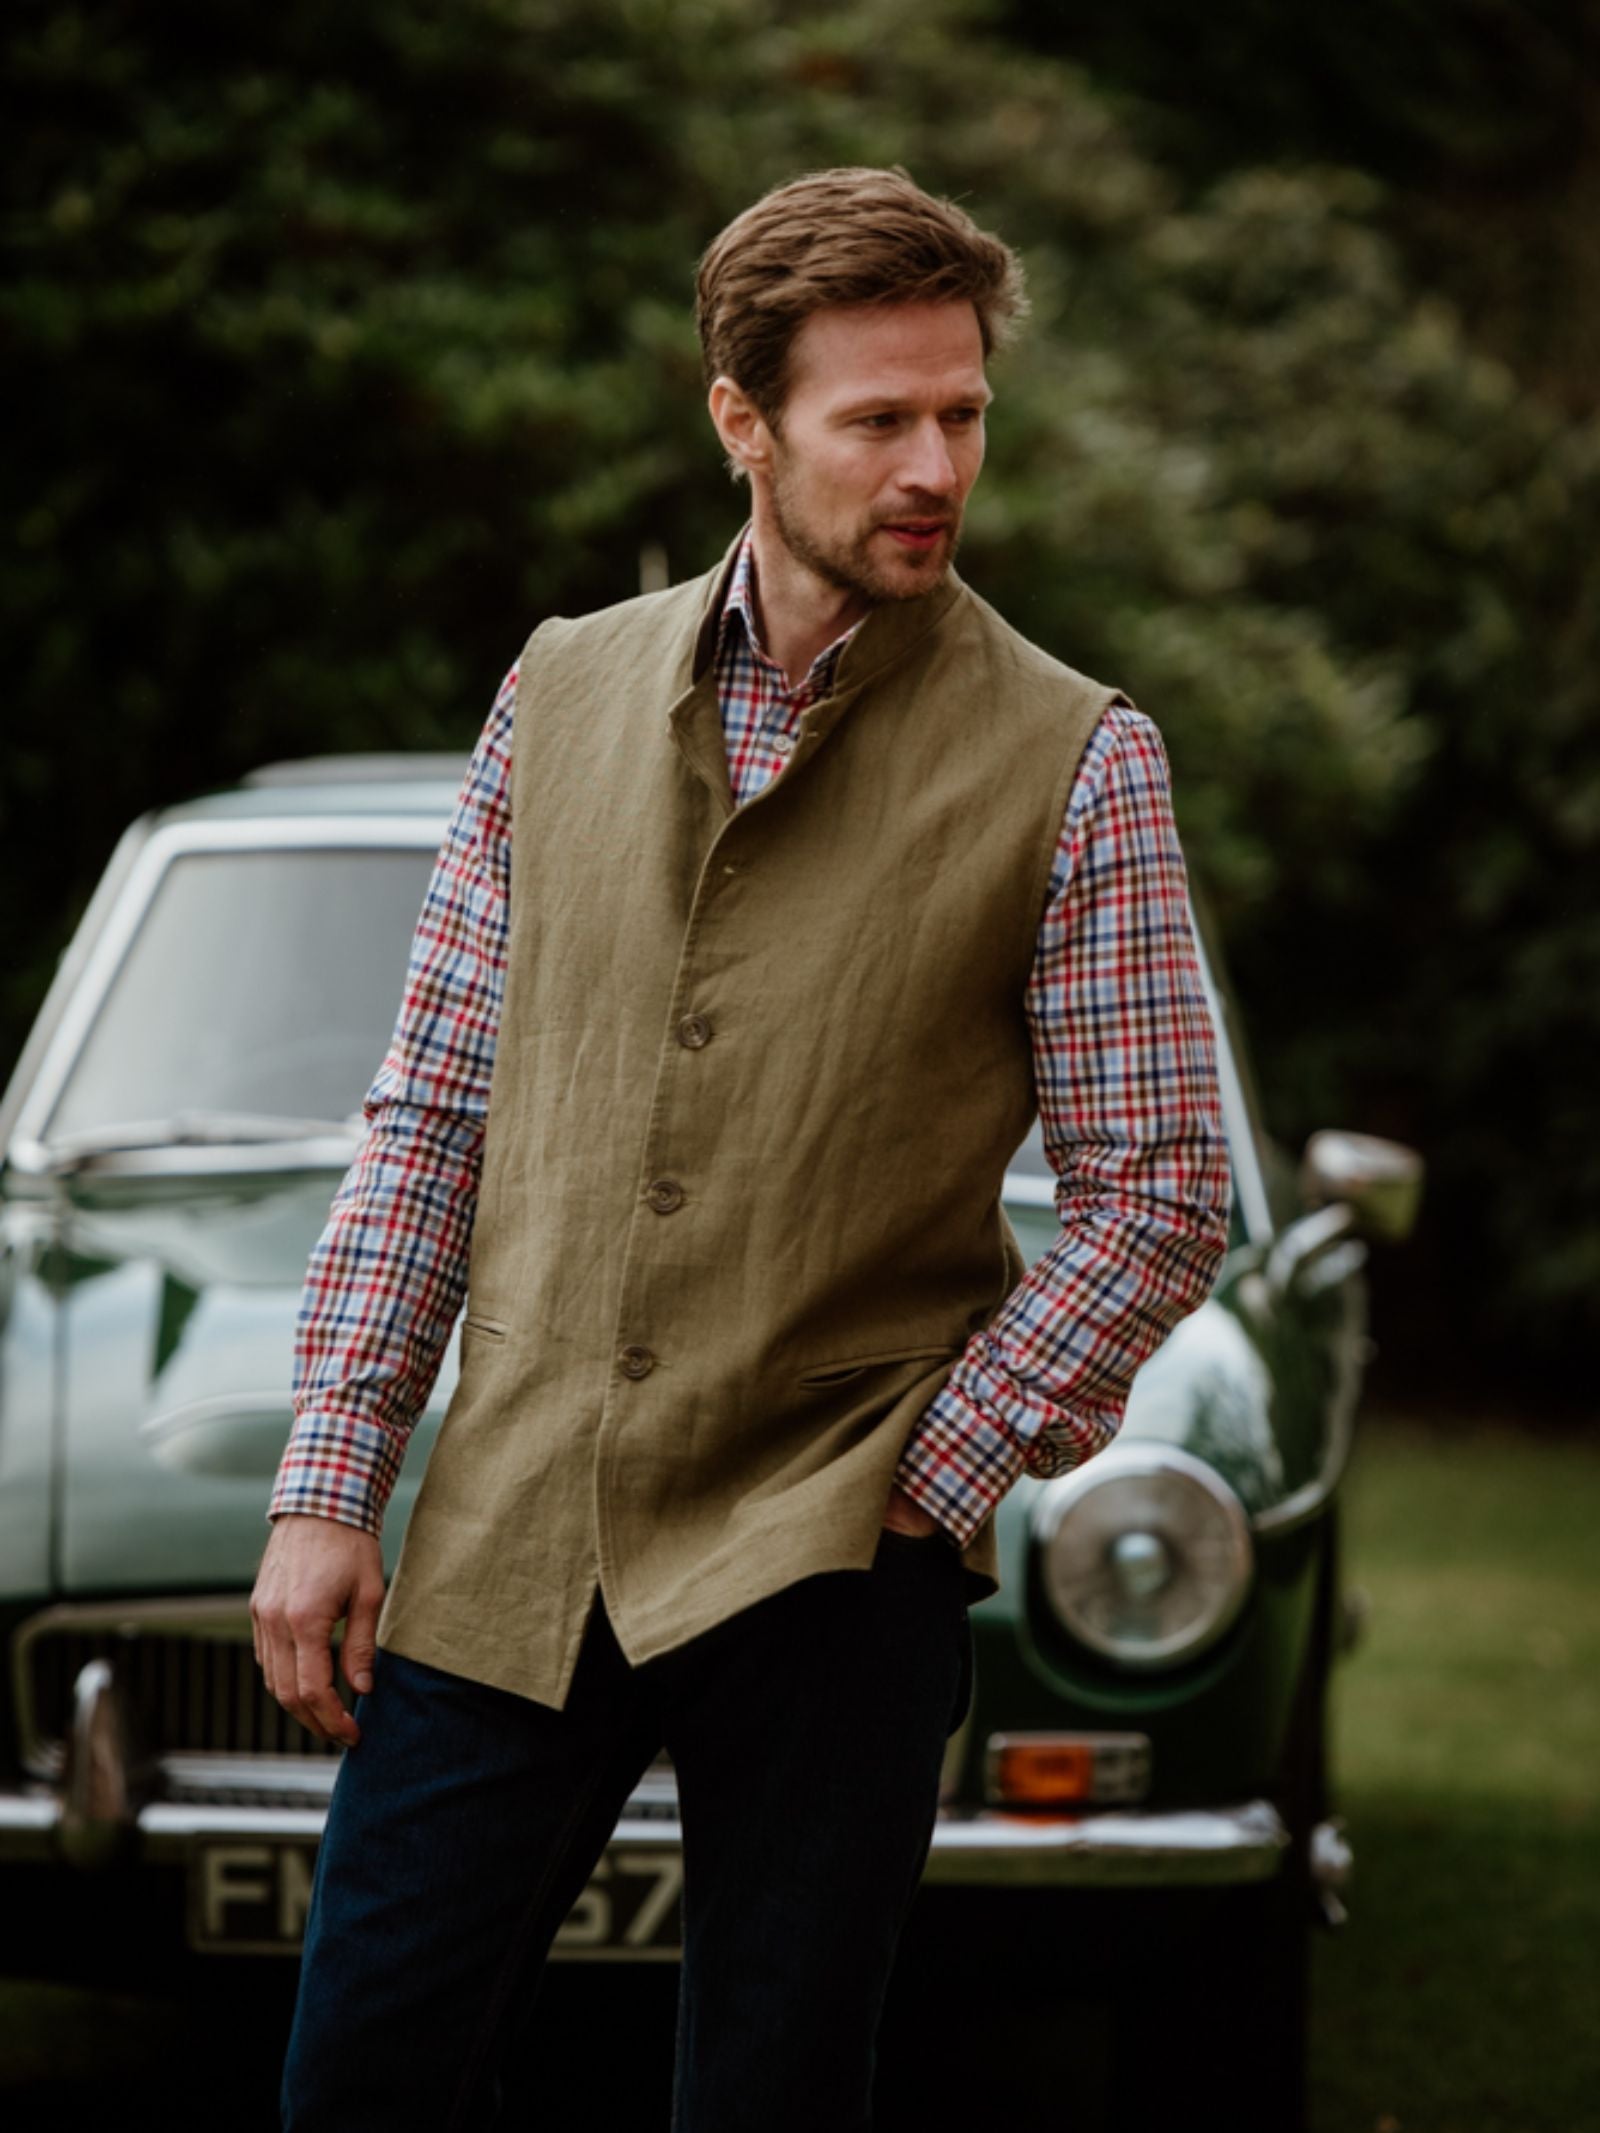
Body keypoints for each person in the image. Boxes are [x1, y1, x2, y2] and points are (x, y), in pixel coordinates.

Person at [253, 164, 1232, 2131]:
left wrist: (919, 1476)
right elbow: (435, 1101)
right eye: (876, 417)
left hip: (830, 1561)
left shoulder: (1075, 754)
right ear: (740, 422)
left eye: (960, 411)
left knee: (767, 2103)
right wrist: (331, 1472)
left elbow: (1158, 1191)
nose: (932, 463)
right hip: (520, 1513)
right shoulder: (559, 688)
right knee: (360, 2073)